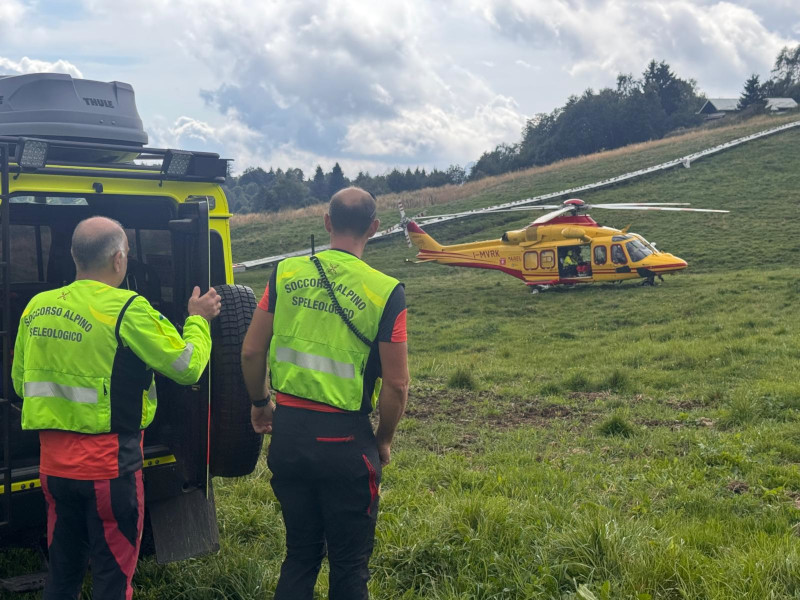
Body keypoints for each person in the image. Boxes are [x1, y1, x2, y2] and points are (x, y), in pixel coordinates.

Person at [11, 216, 221, 600]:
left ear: (74, 255)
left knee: (62, 573)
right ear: (119, 259)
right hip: (109, 471)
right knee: (113, 580)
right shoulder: (128, 308)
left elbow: (18, 382)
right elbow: (187, 366)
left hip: (53, 471)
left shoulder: (36, 307)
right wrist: (198, 320)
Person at [242, 186, 409, 600]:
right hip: (346, 443)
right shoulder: (386, 291)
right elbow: (397, 384)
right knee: (349, 567)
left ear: (327, 222)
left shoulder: (284, 274)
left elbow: (251, 351)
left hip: (289, 435)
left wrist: (261, 403)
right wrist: (383, 440)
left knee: (299, 555)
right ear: (374, 227)